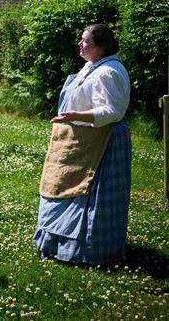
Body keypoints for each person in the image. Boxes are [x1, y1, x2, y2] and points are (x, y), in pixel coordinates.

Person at [33, 24, 131, 265]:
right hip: (79, 141)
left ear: (100, 47)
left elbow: (112, 111)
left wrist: (74, 116)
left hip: (100, 144)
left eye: (85, 41)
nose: (80, 44)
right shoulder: (91, 67)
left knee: (85, 195)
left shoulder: (109, 72)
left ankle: (87, 251)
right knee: (61, 187)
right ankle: (54, 243)